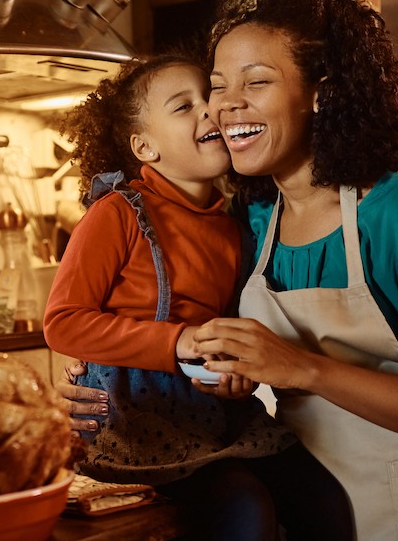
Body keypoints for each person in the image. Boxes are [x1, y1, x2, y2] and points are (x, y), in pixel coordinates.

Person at [59, 0, 398, 541]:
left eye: (255, 82)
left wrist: (302, 367)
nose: (224, 107)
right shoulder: (249, 225)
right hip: (306, 508)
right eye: (217, 86)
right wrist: (99, 381)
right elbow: (186, 333)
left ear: (319, 92)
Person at [44, 53, 352, 541]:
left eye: (206, 98)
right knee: (244, 508)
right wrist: (179, 341)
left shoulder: (234, 225)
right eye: (183, 107)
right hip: (131, 422)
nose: (209, 111)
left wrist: (236, 376)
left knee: (324, 501)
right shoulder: (117, 215)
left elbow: (230, 331)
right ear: (145, 147)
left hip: (214, 416)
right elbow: (63, 321)